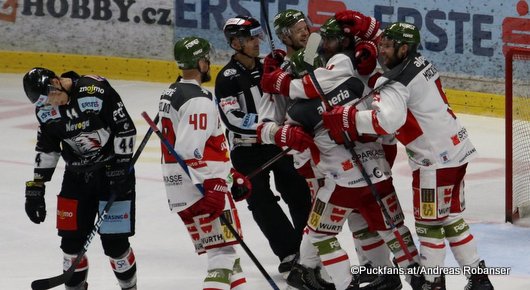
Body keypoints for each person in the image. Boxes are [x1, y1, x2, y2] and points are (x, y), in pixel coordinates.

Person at [321, 18, 494, 290]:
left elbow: (384, 122)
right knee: (451, 218)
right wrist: (368, 29)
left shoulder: (396, 83)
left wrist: (348, 117)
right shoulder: (420, 62)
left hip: (434, 161)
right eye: (382, 45)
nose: (382, 51)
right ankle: (479, 278)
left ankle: (432, 282)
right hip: (457, 150)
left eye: (388, 46)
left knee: (429, 225)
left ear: (403, 50)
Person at [261, 17, 424, 290]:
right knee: (392, 229)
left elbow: (290, 116)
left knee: (320, 233)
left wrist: (279, 132)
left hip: (339, 182)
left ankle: (338, 281)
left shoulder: (298, 111)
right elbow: (380, 118)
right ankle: (416, 276)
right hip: (377, 171)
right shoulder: (354, 85)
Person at [23, 67, 138, 290]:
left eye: (51, 97)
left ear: (56, 82)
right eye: (43, 101)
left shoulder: (94, 91)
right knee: (70, 245)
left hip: (112, 172)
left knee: (115, 245)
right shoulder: (46, 110)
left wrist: (121, 168)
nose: (51, 104)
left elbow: (125, 129)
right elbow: (47, 149)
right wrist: (36, 186)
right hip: (76, 178)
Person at [215, 15, 312, 276]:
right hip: (246, 150)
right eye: (249, 39)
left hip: (277, 144)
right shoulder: (226, 77)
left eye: (257, 37)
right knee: (259, 200)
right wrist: (268, 126)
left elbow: (311, 56)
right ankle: (289, 252)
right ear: (235, 43)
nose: (257, 42)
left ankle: (310, 248)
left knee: (298, 190)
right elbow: (232, 118)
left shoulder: (269, 66)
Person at [158, 36, 252, 290]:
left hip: (181, 190)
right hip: (203, 190)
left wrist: (231, 175)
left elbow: (204, 149)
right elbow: (189, 150)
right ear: (200, 62)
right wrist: (215, 185)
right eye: (206, 60)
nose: (209, 64)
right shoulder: (199, 99)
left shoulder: (172, 91)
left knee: (227, 255)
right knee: (222, 258)